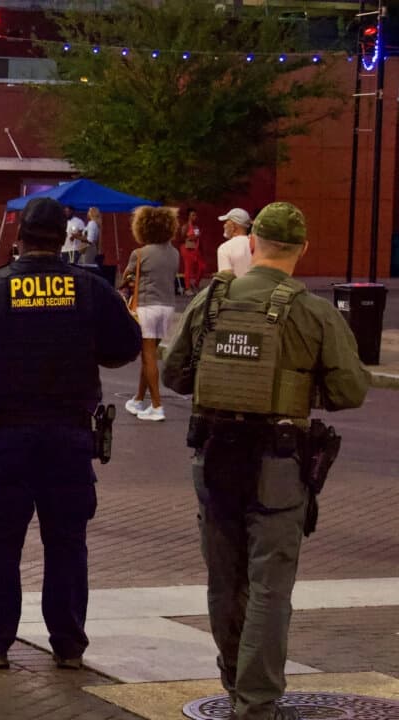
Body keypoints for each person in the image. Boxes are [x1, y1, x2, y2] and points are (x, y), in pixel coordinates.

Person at [162, 202, 369, 720]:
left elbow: (173, 374)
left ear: (252, 244)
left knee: (223, 580)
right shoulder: (312, 310)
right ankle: (257, 705)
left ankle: (234, 684)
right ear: (302, 249)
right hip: (277, 465)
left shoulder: (212, 298)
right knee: (269, 588)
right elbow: (350, 390)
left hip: (212, 458)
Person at [0, 197, 141, 671]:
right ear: (62, 239)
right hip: (69, 436)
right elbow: (126, 344)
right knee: (67, 543)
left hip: (5, 437)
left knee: (0, 543)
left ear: (21, 237)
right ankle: (67, 644)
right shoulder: (88, 288)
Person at [122, 206, 181, 422]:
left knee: (147, 357)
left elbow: (127, 278)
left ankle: (157, 406)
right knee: (150, 357)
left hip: (146, 306)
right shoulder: (175, 253)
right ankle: (138, 399)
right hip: (167, 306)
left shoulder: (139, 254)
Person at [217, 207, 253, 278]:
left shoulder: (225, 248)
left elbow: (225, 280)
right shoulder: (257, 244)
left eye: (226, 222)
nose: (224, 226)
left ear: (233, 226)